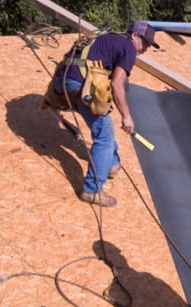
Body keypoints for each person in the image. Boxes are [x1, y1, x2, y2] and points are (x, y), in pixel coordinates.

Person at [51, 21, 160, 207]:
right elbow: (117, 83)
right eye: (146, 43)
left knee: (104, 127)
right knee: (104, 138)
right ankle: (91, 190)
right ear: (134, 35)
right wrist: (126, 115)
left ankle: (111, 164)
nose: (146, 48)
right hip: (79, 85)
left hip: (62, 82)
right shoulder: (128, 48)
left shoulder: (110, 39)